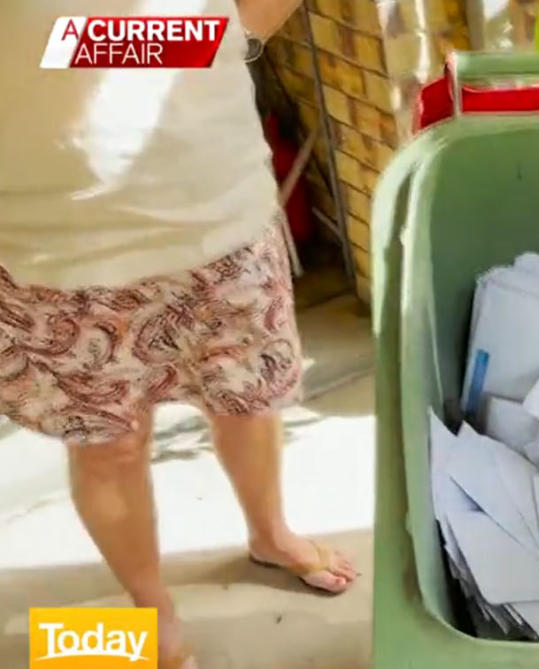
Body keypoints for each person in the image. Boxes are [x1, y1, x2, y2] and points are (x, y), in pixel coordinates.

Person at [0, 2, 357, 667]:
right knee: (108, 447)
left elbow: (246, 20)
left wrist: (182, 37)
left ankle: (271, 533)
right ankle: (150, 611)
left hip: (217, 208)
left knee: (250, 401)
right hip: (48, 244)